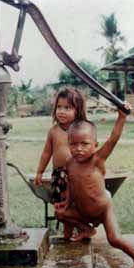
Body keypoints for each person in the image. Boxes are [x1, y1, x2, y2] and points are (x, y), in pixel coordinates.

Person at [56, 105, 134, 268]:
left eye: (84, 144)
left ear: (95, 145)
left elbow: (113, 139)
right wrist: (67, 202)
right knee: (61, 213)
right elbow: (71, 185)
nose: (79, 149)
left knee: (114, 239)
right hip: (84, 211)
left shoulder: (97, 160)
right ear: (68, 144)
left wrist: (121, 117)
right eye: (73, 144)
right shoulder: (70, 163)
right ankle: (87, 229)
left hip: (103, 209)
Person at [34, 88, 92, 240]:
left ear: (77, 110)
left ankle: (84, 229)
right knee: (61, 209)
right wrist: (39, 172)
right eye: (59, 107)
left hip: (76, 175)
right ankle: (68, 237)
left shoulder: (81, 130)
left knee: (73, 208)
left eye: (67, 108)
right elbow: (46, 153)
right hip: (58, 176)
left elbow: (90, 151)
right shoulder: (53, 131)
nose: (62, 111)